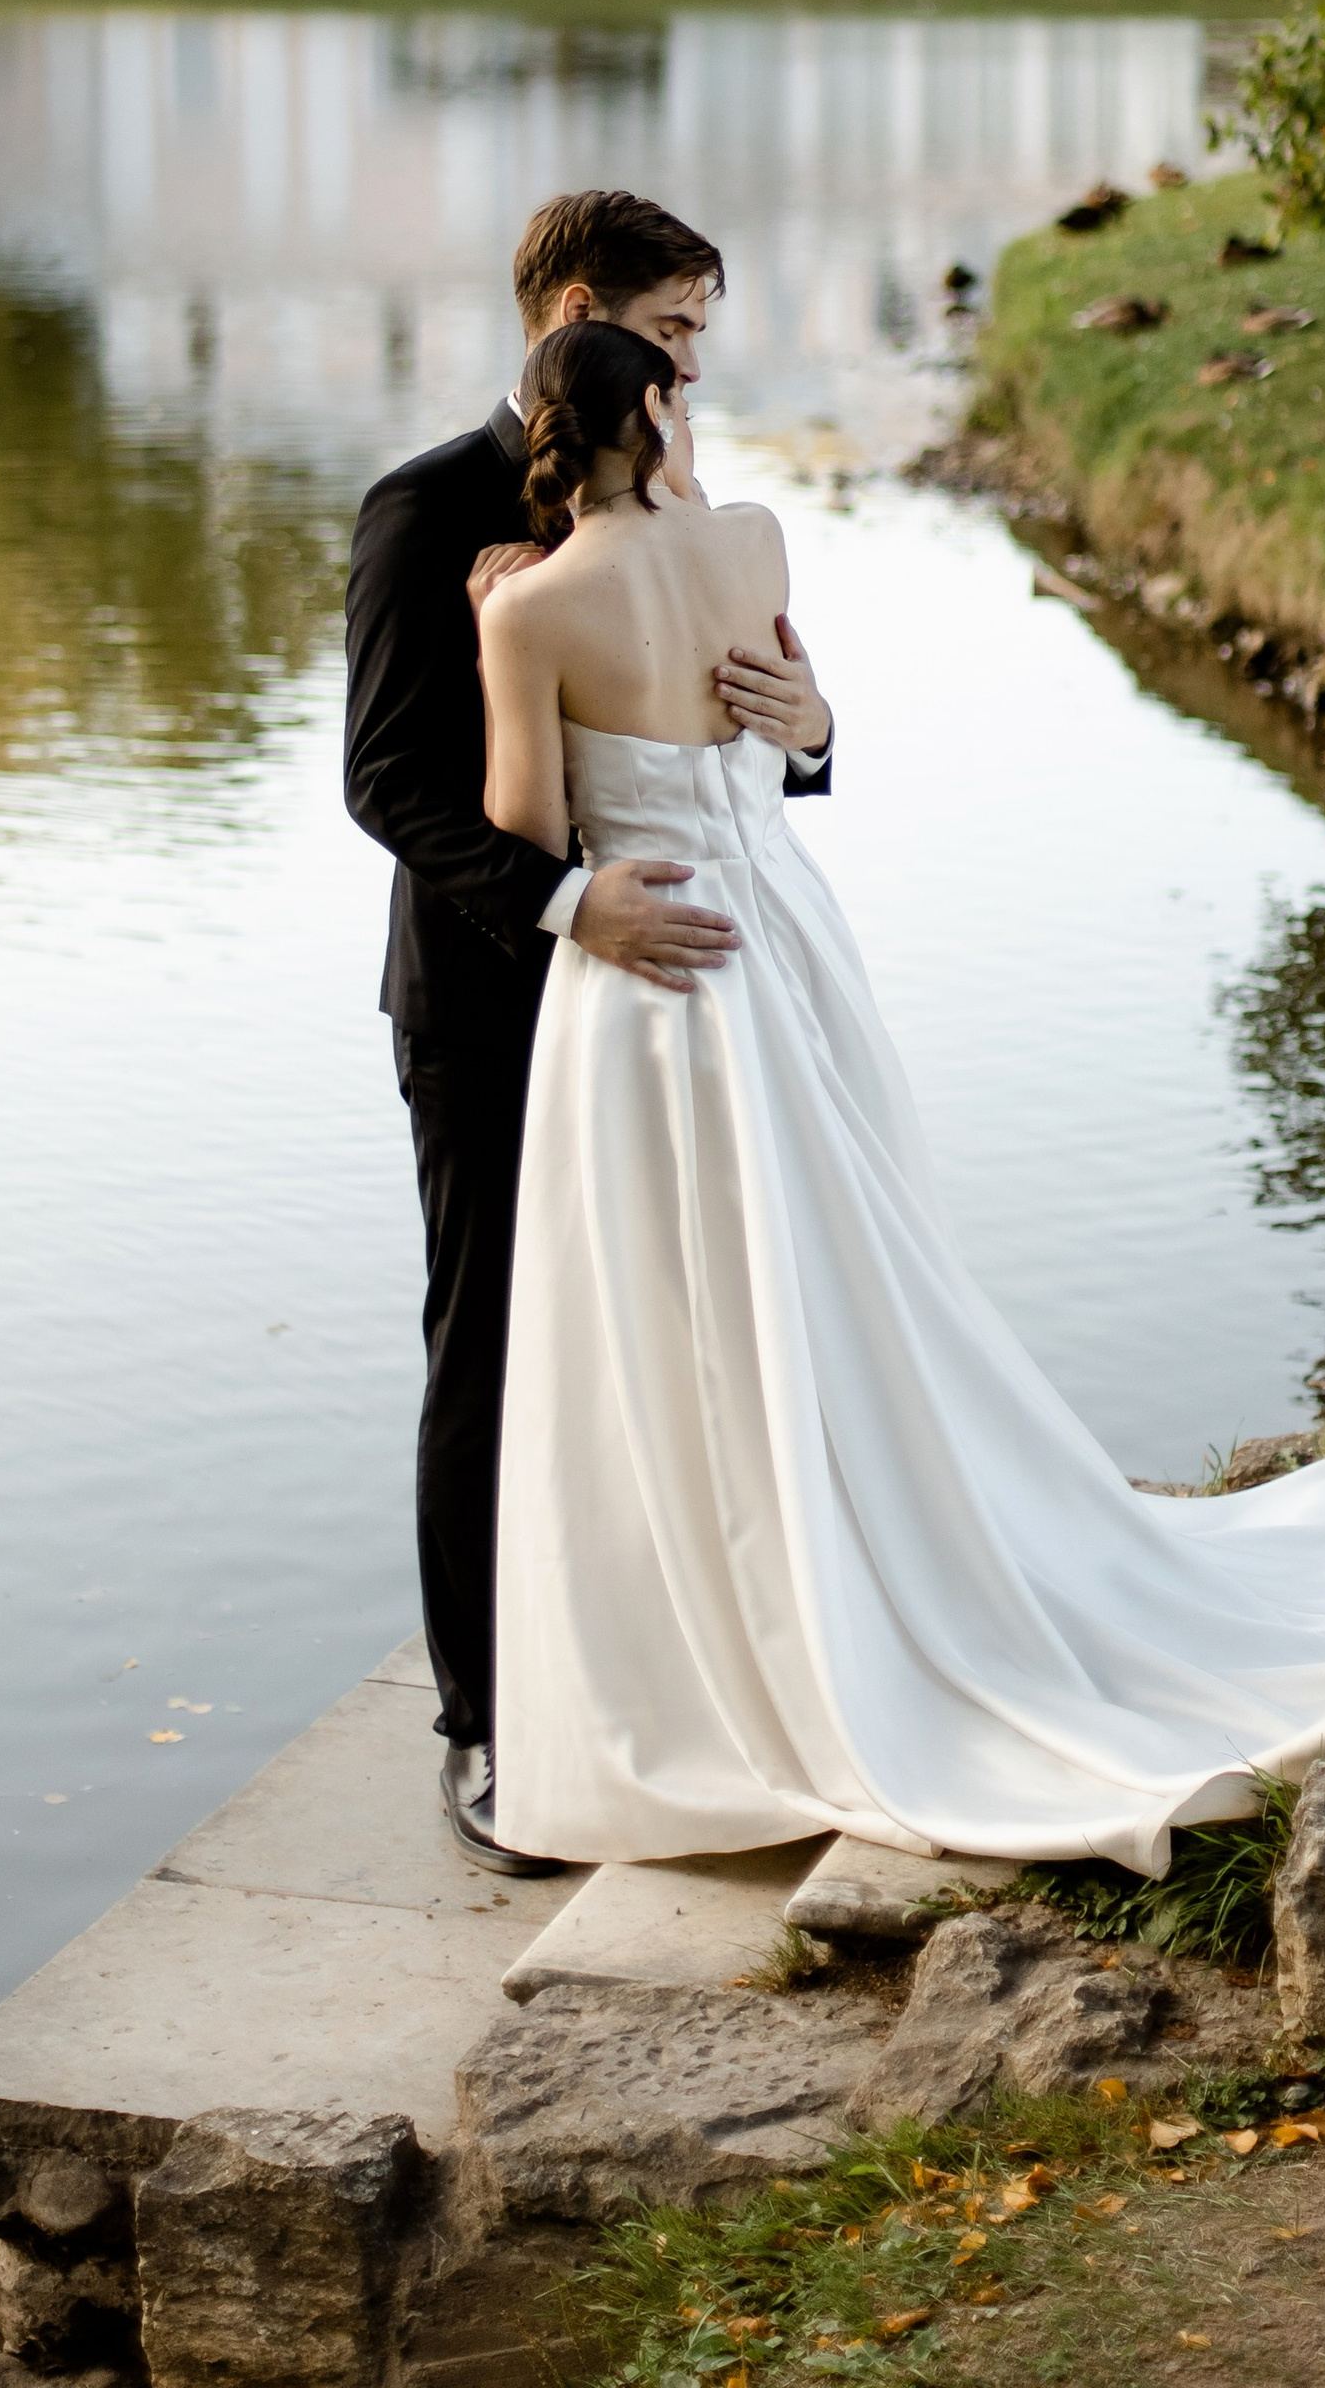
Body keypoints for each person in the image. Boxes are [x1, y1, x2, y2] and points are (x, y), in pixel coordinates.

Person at [475, 320, 1325, 1872]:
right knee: (838, 1270)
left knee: (670, 1307)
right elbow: (778, 734)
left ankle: (726, 1645)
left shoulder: (525, 612)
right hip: (779, 937)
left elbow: (527, 826)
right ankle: (854, 1558)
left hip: (645, 981)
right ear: (654, 407)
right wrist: (773, 681)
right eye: (680, 374)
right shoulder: (752, 536)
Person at [343, 193, 835, 1872]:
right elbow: (390, 783)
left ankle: (681, 1668)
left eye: (692, 337)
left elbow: (756, 738)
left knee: (694, 1334)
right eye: (675, 332)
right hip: (495, 1009)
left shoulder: (681, 496)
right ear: (578, 312)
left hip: (683, 1001)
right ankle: (486, 1724)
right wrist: (571, 908)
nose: (689, 370)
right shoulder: (428, 513)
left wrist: (815, 725)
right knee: (489, 1350)